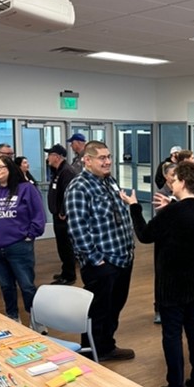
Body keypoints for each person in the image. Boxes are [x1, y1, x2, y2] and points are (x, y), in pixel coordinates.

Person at [120, 161, 194, 387]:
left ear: (182, 182)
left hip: (174, 284)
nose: (170, 184)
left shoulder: (172, 213)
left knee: (172, 334)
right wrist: (171, 205)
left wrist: (133, 207)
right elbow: (187, 215)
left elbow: (145, 235)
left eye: (173, 181)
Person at [65, 141, 136, 361]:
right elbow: (77, 228)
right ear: (87, 160)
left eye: (108, 157)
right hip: (102, 263)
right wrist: (95, 259)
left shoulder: (110, 182)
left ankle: (106, 347)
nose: (107, 162)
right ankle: (91, 353)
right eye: (101, 158)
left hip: (122, 257)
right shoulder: (79, 187)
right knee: (97, 311)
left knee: (114, 307)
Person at [0, 156, 46, 322]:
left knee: (27, 286)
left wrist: (30, 235)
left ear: (10, 169)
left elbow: (38, 215)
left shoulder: (26, 189)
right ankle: (12, 317)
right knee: (6, 286)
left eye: (1, 167)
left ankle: (37, 320)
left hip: (18, 246)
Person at [45, 144, 78, 285]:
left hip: (63, 217)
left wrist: (63, 211)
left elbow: (69, 193)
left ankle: (69, 275)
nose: (47, 158)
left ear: (57, 157)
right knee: (62, 245)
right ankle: (65, 271)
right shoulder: (58, 170)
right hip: (58, 214)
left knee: (66, 246)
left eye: (50, 155)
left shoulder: (67, 171)